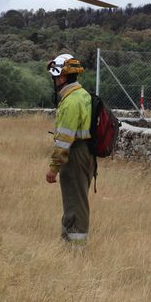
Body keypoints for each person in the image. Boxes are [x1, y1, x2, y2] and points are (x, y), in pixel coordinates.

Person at [46, 53, 93, 246]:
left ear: (63, 77)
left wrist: (53, 168)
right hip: (85, 152)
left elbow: (64, 139)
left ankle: (75, 250)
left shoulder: (71, 101)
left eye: (56, 76)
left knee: (74, 203)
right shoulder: (83, 95)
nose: (55, 80)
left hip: (74, 154)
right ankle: (69, 245)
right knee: (76, 200)